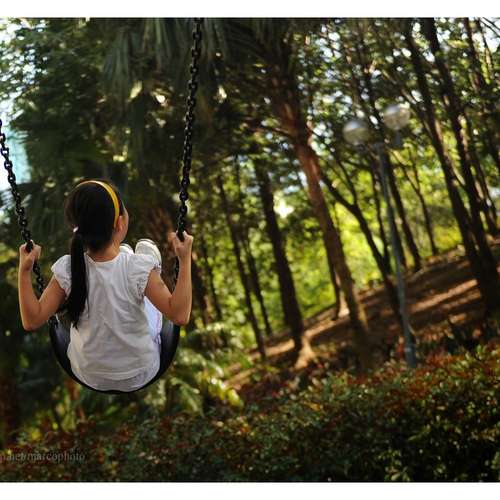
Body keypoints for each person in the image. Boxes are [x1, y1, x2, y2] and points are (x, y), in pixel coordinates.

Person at [17, 179, 193, 392]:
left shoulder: (69, 269)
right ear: (119, 223)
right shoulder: (137, 268)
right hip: (140, 372)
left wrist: (24, 270)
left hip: (88, 374)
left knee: (132, 269)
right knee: (144, 275)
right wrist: (184, 259)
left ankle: (129, 253)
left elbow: (32, 320)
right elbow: (179, 315)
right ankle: (149, 256)